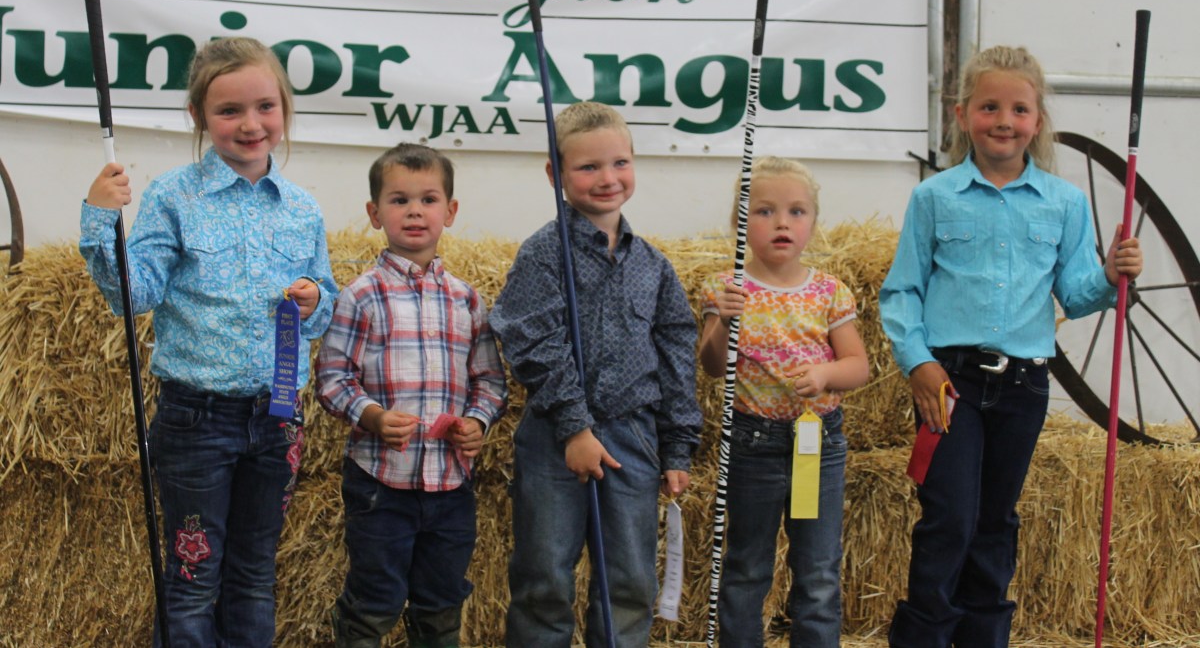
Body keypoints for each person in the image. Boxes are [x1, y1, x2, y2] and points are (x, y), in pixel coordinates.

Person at [880, 45, 1144, 648]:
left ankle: (984, 638)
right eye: (989, 107)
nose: (1004, 121)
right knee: (950, 516)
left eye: (1019, 110)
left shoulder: (1064, 203)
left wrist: (1111, 275)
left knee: (996, 519)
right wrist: (918, 363)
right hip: (950, 383)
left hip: (1024, 384)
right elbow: (902, 292)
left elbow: (1076, 294)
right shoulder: (935, 197)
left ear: (1038, 119)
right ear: (962, 114)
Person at [79, 36, 337, 648]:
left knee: (254, 575)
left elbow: (323, 305)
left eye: (265, 107)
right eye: (229, 111)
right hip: (197, 419)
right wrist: (100, 219)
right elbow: (136, 294)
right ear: (198, 116)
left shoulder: (302, 209)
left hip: (278, 416)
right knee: (193, 576)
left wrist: (315, 300)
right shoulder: (174, 196)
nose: (251, 124)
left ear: (284, 109)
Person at [488, 101, 703, 648]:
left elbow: (677, 353)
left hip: (634, 437)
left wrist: (677, 447)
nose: (608, 178)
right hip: (555, 437)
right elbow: (532, 339)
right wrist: (575, 427)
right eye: (588, 167)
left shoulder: (653, 266)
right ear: (555, 174)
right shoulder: (543, 253)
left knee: (629, 580)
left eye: (620, 163)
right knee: (544, 577)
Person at [315, 143, 508, 648]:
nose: (415, 211)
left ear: (451, 211)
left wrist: (477, 422)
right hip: (380, 484)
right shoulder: (361, 295)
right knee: (375, 597)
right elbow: (332, 378)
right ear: (375, 213)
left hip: (450, 484)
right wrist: (372, 416)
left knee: (441, 599)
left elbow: (490, 381)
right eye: (399, 200)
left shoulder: (467, 300)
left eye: (428, 199)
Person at [698, 156, 870, 648]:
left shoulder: (829, 291)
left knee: (817, 568)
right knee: (747, 565)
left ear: (813, 221)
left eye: (796, 211)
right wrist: (723, 322)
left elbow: (858, 366)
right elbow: (712, 365)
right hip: (752, 444)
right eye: (764, 211)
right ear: (739, 222)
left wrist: (824, 374)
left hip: (818, 446)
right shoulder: (726, 288)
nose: (781, 223)